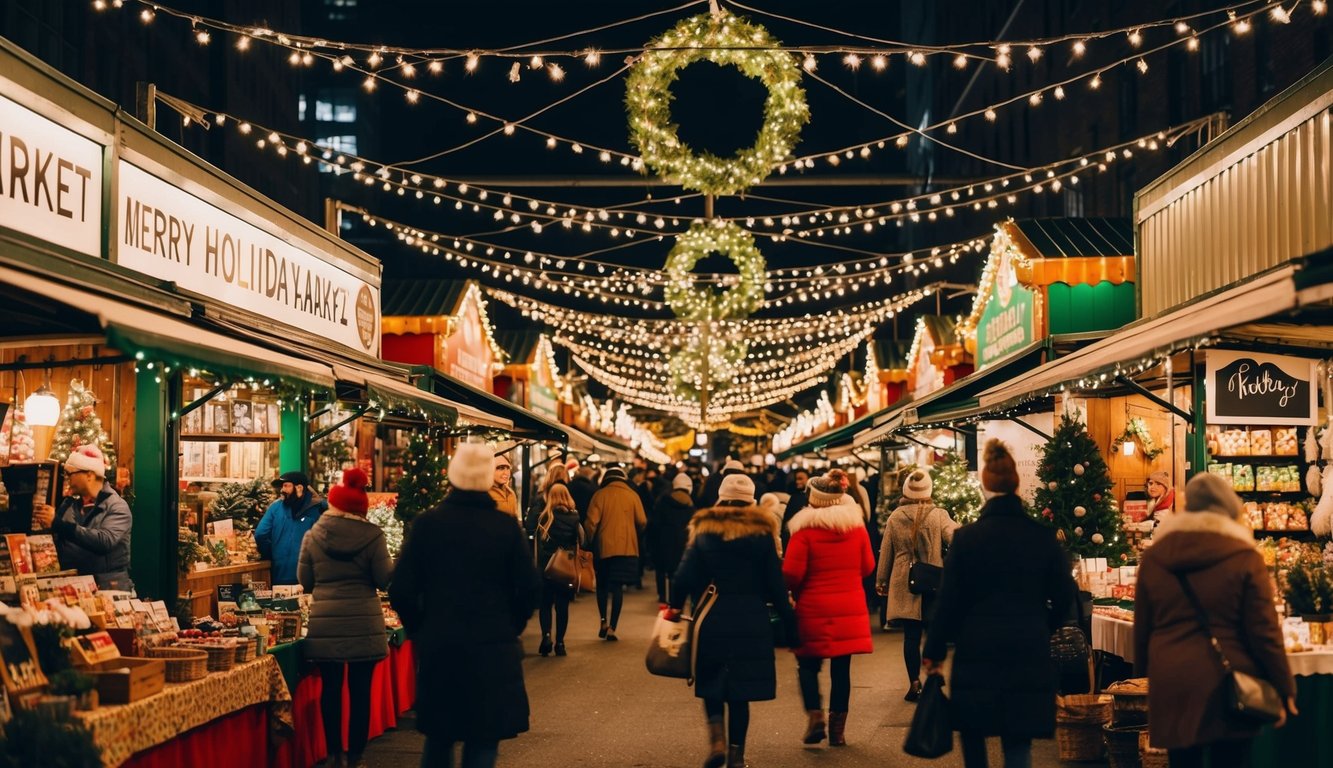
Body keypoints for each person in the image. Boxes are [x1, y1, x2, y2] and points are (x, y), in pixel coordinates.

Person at [924, 440, 1077, 768]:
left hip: (976, 650)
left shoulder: (967, 539)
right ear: (1016, 483)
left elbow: (948, 600)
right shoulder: (1042, 537)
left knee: (975, 734)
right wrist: (1041, 625)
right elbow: (1067, 597)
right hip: (1027, 649)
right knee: (1017, 739)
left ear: (985, 483)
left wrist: (934, 652)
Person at [390, 443, 538, 768]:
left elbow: (401, 589)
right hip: (493, 646)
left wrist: (420, 627)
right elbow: (528, 589)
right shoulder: (505, 527)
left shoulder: (428, 525)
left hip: (441, 645)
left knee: (440, 737)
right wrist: (510, 625)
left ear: (453, 474)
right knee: (483, 739)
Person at [1134, 473, 1297, 768]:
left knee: (1183, 762)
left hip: (1172, 678)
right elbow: (1264, 631)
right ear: (1230, 511)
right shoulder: (1244, 556)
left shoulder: (1156, 556)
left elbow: (1143, 625)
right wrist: (1284, 687)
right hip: (1227, 679)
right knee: (1232, 760)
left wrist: (1144, 673)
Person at [668, 473, 789, 768]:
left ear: (720, 497)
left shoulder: (704, 531)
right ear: (751, 501)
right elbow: (775, 583)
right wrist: (790, 621)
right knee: (741, 692)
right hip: (752, 621)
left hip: (712, 619)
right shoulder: (763, 534)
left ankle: (717, 740)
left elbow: (683, 576)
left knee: (712, 682)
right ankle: (737, 754)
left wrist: (673, 608)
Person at [297, 468, 393, 768]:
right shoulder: (373, 536)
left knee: (331, 689)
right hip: (363, 622)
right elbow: (384, 579)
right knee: (361, 693)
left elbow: (306, 580)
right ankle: (355, 758)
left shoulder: (313, 536)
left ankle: (335, 754)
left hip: (326, 623)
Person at [783, 469, 876, 747]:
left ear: (814, 499)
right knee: (841, 669)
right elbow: (868, 566)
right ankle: (838, 731)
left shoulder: (804, 532)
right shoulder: (856, 528)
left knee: (808, 664)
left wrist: (794, 594)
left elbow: (791, 573)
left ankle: (815, 716)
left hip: (813, 607)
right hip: (849, 606)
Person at [876, 468, 959, 701]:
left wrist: (881, 580)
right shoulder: (938, 515)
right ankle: (934, 679)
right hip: (932, 578)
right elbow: (956, 538)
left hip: (905, 582)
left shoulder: (896, 516)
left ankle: (914, 683)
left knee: (911, 637)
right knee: (934, 633)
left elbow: (887, 552)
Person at [32, 445, 133, 591]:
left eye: (70, 473)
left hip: (108, 588)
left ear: (89, 475)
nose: (67, 479)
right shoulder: (69, 504)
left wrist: (59, 524)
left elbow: (104, 541)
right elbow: (58, 539)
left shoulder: (117, 506)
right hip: (75, 587)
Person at [583, 466, 646, 641]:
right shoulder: (633, 495)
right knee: (617, 587)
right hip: (626, 548)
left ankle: (603, 620)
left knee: (602, 585)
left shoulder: (600, 495)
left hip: (604, 548)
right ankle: (612, 627)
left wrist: (588, 541)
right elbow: (642, 521)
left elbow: (591, 523)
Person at [524, 484, 582, 657]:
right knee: (562, 606)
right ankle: (561, 643)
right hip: (564, 566)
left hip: (545, 565)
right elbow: (579, 539)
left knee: (545, 604)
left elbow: (529, 527)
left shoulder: (544, 515)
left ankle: (546, 636)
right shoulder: (574, 516)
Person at [255, 470, 327, 586]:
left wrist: (271, 554)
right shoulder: (318, 509)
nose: (282, 490)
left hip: (280, 574)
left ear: (299, 488)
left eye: (286, 486)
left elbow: (260, 535)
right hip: (308, 577)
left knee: (280, 604)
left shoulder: (276, 507)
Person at [647, 472, 694, 605]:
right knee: (678, 571)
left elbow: (654, 524)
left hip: (663, 543)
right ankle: (676, 598)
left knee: (661, 570)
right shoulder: (691, 507)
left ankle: (662, 595)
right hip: (682, 544)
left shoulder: (663, 502)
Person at [780, 467, 811, 549]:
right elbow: (786, 521)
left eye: (800, 479)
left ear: (808, 479)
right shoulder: (795, 497)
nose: (797, 482)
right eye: (796, 479)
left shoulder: (810, 498)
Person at [488, 453, 519, 521]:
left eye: (508, 468)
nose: (506, 472)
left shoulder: (510, 492)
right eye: (501, 468)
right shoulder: (484, 493)